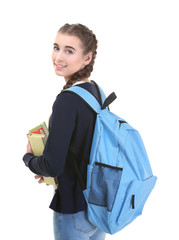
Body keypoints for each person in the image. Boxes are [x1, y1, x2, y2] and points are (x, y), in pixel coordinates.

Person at [23, 23, 106, 240]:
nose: (58, 57)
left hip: (73, 211)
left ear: (87, 58)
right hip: (99, 206)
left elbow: (52, 165)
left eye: (69, 51)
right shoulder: (96, 92)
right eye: (56, 47)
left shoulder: (67, 101)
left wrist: (29, 159)